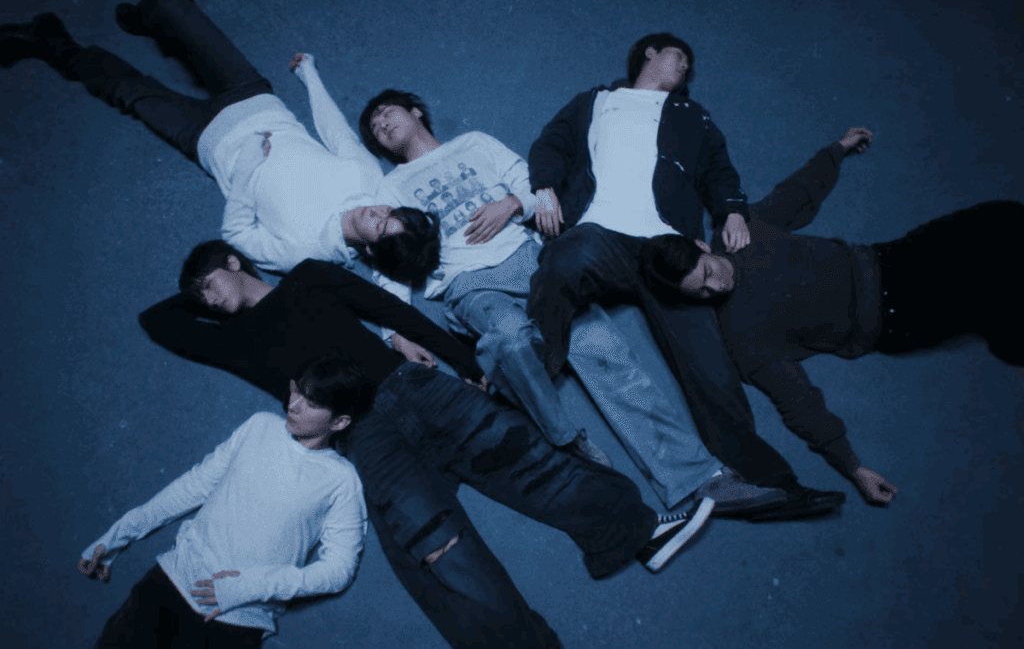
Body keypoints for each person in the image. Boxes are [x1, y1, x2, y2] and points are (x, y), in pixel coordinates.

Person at [138, 239, 715, 649]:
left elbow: (388, 309)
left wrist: (466, 361)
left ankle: (636, 531)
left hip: (414, 387)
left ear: (233, 260)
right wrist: (200, 293)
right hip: (362, 436)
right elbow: (156, 320)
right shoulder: (233, 341)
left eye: (208, 284)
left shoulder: (309, 277)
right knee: (439, 548)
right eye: (199, 296)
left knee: (530, 461)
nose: (206, 299)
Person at [356, 85, 791, 514]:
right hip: (470, 283)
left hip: (534, 264)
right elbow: (387, 265)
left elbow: (537, 189)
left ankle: (700, 479)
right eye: (375, 128)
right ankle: (565, 441)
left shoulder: (474, 144)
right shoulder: (391, 186)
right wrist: (394, 332)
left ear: (415, 111)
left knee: (608, 356)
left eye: (386, 112)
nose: (382, 124)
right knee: (510, 337)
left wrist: (512, 204)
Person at [526, 31, 843, 517]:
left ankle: (767, 485)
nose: (686, 66)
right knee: (561, 261)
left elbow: (718, 167)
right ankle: (531, 376)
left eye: (689, 64)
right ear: (650, 52)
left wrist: (731, 210)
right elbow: (554, 142)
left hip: (671, 246)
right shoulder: (596, 101)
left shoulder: (692, 115)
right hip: (600, 233)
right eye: (679, 56)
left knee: (710, 365)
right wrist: (544, 188)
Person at [639, 127, 1024, 504]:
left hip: (888, 258)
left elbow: (796, 194)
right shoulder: (741, 337)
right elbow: (798, 402)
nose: (715, 287)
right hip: (894, 316)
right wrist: (854, 468)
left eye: (708, 273)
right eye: (701, 292)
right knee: (998, 293)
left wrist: (836, 150)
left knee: (1002, 217)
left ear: (703, 246)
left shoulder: (739, 231)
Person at [0, 0, 437, 281]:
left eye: (381, 228)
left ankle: (52, 43)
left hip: (206, 139)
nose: (376, 212)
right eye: (390, 212)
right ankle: (151, 18)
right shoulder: (367, 181)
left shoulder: (304, 255)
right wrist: (310, 75)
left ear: (371, 252)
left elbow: (238, 236)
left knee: (124, 89)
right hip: (253, 97)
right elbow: (337, 134)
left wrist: (246, 165)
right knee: (169, 2)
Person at [77, 356, 370, 648]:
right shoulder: (260, 427)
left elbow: (338, 570)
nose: (293, 405)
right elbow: (194, 486)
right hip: (169, 584)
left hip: (234, 621)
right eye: (296, 390)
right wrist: (117, 535)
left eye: (312, 403)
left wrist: (246, 588)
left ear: (339, 421)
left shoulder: (342, 481)